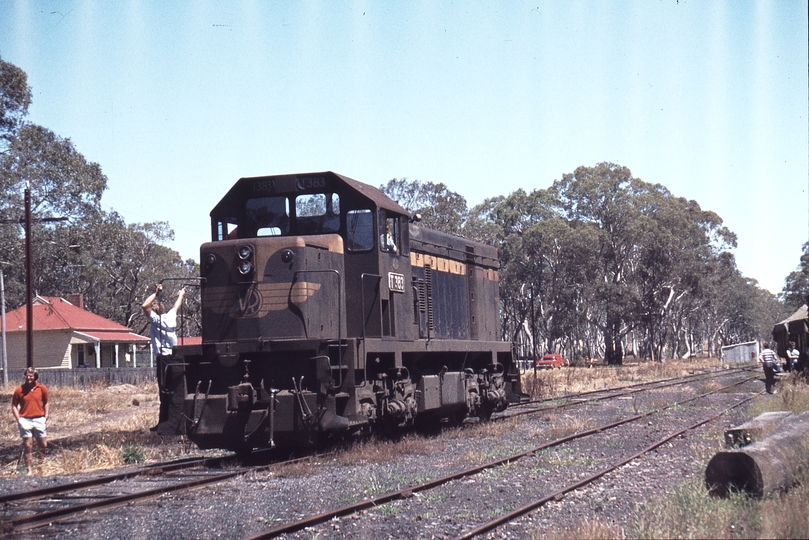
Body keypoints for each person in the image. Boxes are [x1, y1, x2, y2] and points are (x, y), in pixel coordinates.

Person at [142, 283, 185, 430]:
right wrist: (181, 294)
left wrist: (156, 292)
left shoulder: (155, 319)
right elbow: (176, 306)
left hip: (163, 359)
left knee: (164, 391)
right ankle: (169, 421)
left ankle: (164, 423)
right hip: (175, 357)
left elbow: (144, 306)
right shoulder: (171, 317)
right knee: (173, 390)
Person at [12, 367, 49, 474]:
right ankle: (29, 470)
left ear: (35, 376)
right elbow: (14, 405)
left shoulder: (41, 388)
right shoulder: (19, 390)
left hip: (39, 419)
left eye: (31, 376)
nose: (29, 377)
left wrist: (46, 415)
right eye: (27, 375)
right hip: (25, 420)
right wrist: (18, 419)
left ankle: (40, 466)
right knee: (28, 445)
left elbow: (46, 402)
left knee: (43, 445)